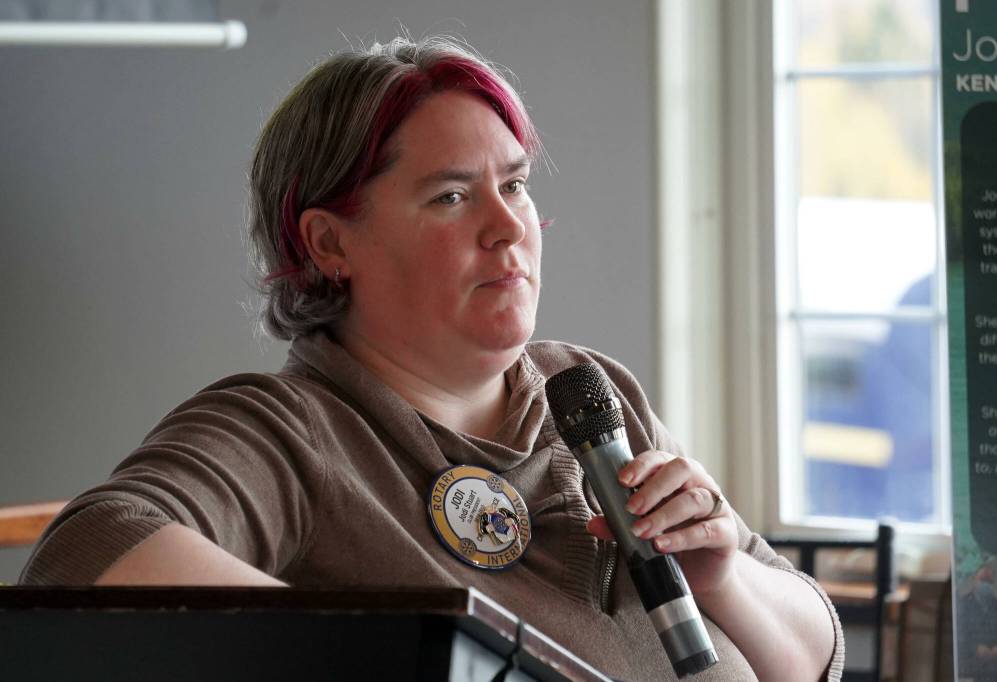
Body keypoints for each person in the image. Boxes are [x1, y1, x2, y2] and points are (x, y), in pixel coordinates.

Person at [20, 37, 842, 681]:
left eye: (514, 185)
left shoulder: (589, 391)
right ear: (329, 242)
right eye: (451, 195)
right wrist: (424, 657)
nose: (507, 225)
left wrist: (724, 572)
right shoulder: (292, 431)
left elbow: (808, 661)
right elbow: (88, 552)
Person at [958, 564, 997, 682]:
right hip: (970, 672)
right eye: (983, 580)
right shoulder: (962, 606)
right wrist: (975, 648)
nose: (986, 584)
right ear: (974, 581)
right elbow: (956, 636)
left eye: (989, 581)